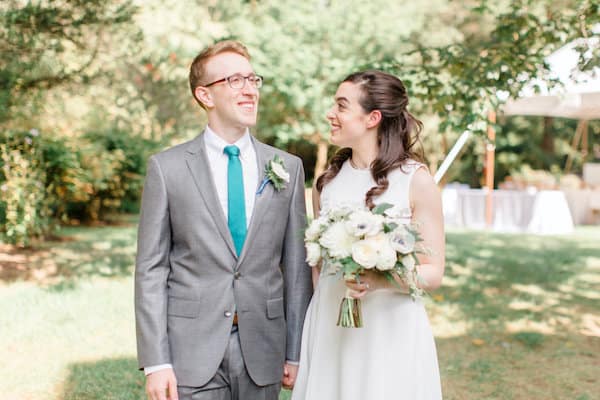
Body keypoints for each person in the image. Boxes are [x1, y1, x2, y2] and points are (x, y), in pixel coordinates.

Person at [135, 40, 312, 400]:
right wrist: (156, 362)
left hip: (264, 348)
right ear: (205, 95)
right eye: (234, 80)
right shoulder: (167, 169)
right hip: (190, 352)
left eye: (252, 79)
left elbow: (295, 268)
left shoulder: (287, 168)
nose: (249, 89)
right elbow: (151, 269)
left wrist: (296, 349)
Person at [292, 70, 445, 400]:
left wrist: (381, 280)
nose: (331, 114)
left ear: (373, 117)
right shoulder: (326, 184)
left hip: (390, 328)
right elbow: (318, 266)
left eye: (342, 106)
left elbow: (433, 272)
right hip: (332, 325)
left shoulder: (415, 181)